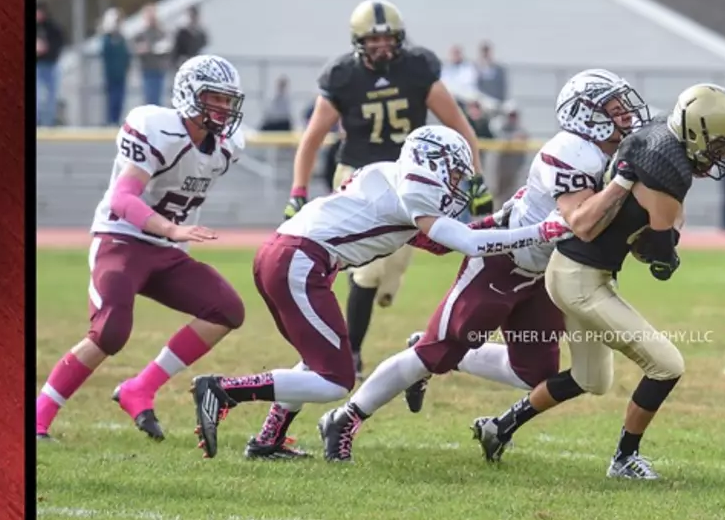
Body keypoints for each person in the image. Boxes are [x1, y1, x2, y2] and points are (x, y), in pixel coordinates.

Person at [319, 69, 653, 462]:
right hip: (502, 260)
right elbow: (579, 220)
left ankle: (451, 356)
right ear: (586, 115)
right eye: (615, 110)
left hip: (545, 274)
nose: (627, 117)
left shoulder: (610, 152)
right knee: (432, 353)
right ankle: (345, 418)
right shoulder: (573, 150)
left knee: (533, 373)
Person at [188, 125, 571, 461]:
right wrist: (540, 231)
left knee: (317, 357)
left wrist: (497, 221)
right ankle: (224, 390)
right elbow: (468, 243)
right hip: (299, 261)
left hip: (287, 256)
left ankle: (269, 438)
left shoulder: (390, 175)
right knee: (335, 379)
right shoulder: (415, 192)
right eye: (455, 171)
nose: (458, 182)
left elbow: (437, 242)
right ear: (433, 162)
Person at [471, 84, 725, 480]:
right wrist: (667, 246)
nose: (723, 155)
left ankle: (499, 427)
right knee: (667, 365)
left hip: (572, 270)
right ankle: (624, 459)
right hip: (580, 280)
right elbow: (658, 258)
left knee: (591, 379)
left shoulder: (658, 137)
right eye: (719, 145)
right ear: (695, 134)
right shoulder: (668, 169)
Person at [35, 55, 248, 443]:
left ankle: (140, 388)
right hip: (121, 239)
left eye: (228, 101)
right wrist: (171, 228)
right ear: (189, 95)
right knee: (111, 330)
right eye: (213, 99)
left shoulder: (227, 147)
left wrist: (171, 235)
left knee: (226, 309)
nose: (223, 109)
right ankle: (37, 416)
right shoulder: (156, 128)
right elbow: (122, 198)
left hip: (166, 250)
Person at [284, 0, 494, 383]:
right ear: (358, 41)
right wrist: (298, 189)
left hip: (411, 176)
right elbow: (313, 137)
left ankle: (375, 283)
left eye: (388, 38)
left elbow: (461, 126)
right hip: (359, 172)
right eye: (373, 39)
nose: (382, 46)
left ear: (399, 38)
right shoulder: (343, 76)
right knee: (368, 270)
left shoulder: (417, 68)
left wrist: (476, 179)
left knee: (392, 264)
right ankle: (354, 352)